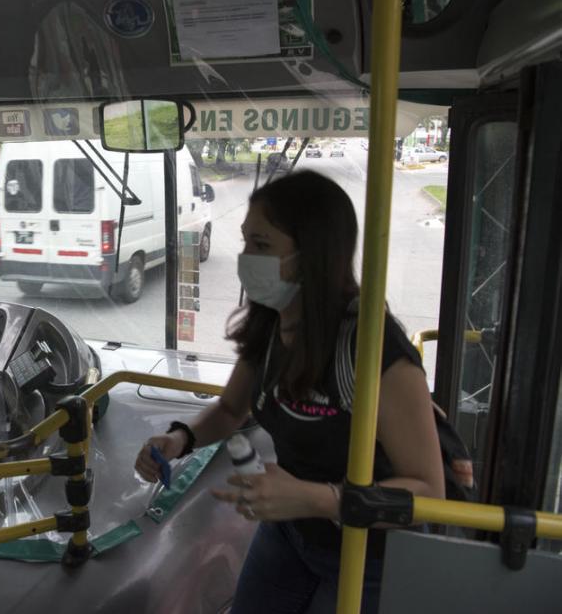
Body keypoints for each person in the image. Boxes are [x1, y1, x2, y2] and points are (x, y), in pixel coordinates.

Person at [134, 171, 444, 614]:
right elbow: (229, 409)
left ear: (312, 254)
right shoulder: (269, 321)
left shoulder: (373, 350)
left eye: (261, 246)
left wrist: (316, 498)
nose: (244, 258)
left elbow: (429, 493)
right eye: (244, 242)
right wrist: (180, 437)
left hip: (369, 553)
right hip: (290, 531)